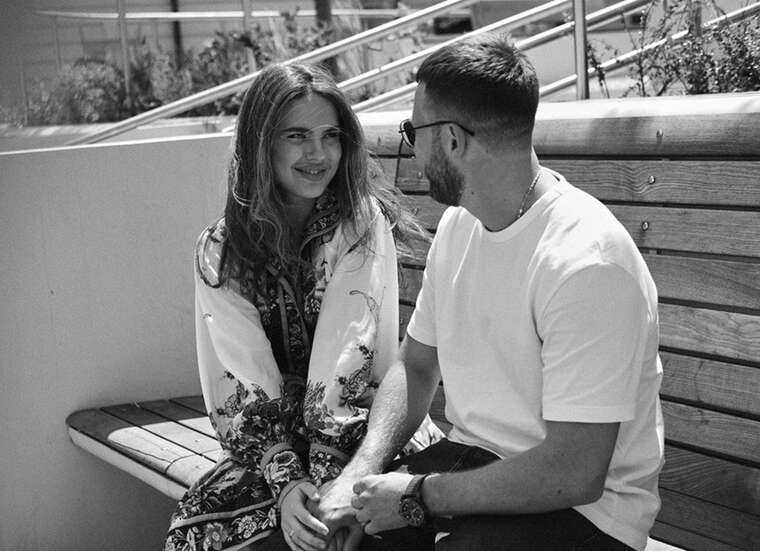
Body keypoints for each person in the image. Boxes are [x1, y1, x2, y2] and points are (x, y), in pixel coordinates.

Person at [311, 33, 664, 551]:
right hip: (472, 465)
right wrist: (360, 475)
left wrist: (416, 495)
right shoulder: (461, 225)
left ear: (452, 140)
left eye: (413, 131)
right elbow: (416, 366)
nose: (412, 148)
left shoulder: (588, 262)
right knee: (330, 537)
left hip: (587, 514)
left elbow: (575, 471)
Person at [165, 62, 442, 551]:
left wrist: (332, 487)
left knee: (345, 530)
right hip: (275, 446)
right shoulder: (221, 250)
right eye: (297, 136)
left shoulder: (359, 223)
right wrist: (289, 482)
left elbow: (349, 355)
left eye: (330, 136)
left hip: (366, 431)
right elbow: (240, 373)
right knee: (197, 535)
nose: (318, 154)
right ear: (261, 144)